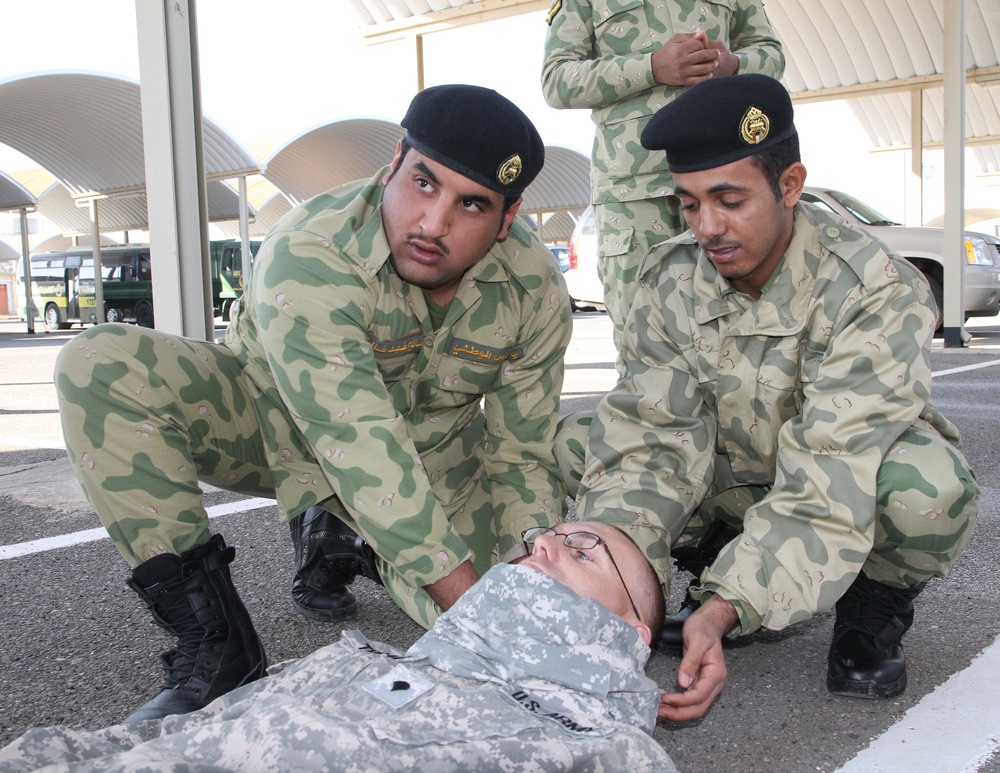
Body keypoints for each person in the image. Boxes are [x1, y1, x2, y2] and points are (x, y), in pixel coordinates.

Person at [53, 84, 572, 725]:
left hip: (433, 459)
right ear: (394, 163)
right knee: (101, 364)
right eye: (423, 183)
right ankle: (216, 645)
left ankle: (342, 537)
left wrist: (527, 578)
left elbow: (522, 454)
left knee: (521, 632)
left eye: (472, 204)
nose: (433, 224)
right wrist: (470, 604)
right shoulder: (312, 251)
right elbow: (354, 440)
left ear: (509, 215)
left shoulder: (532, 287)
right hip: (279, 429)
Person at [555, 74, 980, 723]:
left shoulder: (874, 290)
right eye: (690, 204)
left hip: (835, 477)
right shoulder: (667, 281)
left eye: (729, 199)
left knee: (928, 487)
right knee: (584, 444)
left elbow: (831, 469)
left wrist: (729, 606)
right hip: (726, 473)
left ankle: (870, 608)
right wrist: (617, 598)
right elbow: (651, 441)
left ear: (789, 184)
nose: (708, 227)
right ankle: (715, 561)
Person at [0, 524, 678, 772]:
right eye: (542, 537)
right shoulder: (364, 656)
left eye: (585, 549)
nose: (545, 543)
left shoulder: (597, 743)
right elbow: (172, 736)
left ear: (633, 632)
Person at [541, 0, 784, 376]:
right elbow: (557, 80)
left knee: (743, 334)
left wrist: (732, 65)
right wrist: (652, 67)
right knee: (644, 347)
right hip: (632, 195)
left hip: (723, 178)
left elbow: (772, 55)